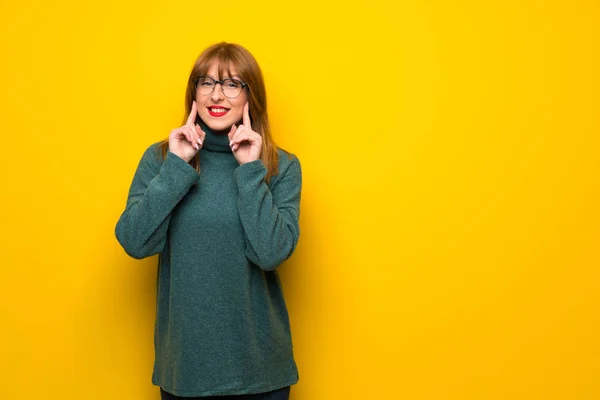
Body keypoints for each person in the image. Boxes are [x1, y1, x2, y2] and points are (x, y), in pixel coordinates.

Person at [115, 42, 302, 400]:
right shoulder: (162, 159)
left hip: (261, 371)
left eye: (232, 83)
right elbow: (134, 242)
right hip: (186, 371)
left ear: (251, 95)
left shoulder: (281, 167)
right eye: (206, 82)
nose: (217, 94)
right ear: (194, 94)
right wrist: (177, 167)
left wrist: (250, 170)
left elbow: (271, 253)